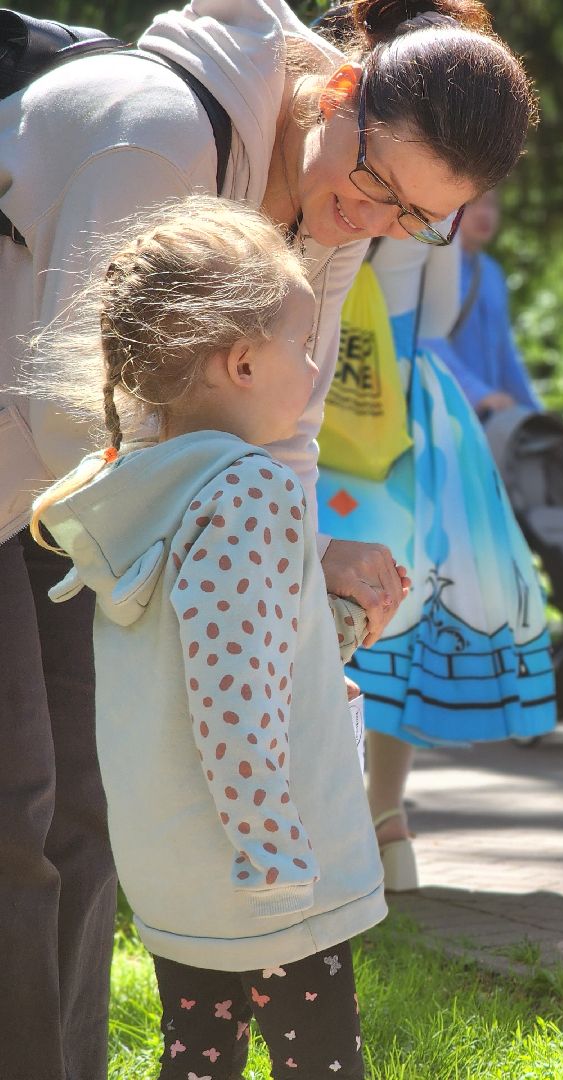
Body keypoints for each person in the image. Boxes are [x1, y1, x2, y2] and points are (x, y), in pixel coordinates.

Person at [0, 0, 534, 1067]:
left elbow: (283, 428)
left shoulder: (339, 202)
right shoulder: (157, 133)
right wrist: (258, 545)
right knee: (16, 812)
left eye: (419, 217)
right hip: (63, 458)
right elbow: (74, 400)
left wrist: (292, 577)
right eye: (379, 184)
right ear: (341, 92)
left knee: (82, 813)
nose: (378, 219)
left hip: (88, 494)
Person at [26, 197, 383, 1080]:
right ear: (243, 361)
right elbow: (231, 697)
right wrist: (276, 852)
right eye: (305, 344)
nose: (315, 367)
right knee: (321, 1065)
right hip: (265, 871)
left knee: (199, 1061)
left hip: (178, 863)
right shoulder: (249, 491)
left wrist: (331, 634)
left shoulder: (146, 489)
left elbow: (216, 652)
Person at [316, 230, 557, 891]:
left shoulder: (323, 186)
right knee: (396, 613)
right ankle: (386, 819)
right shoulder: (432, 202)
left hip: (303, 425)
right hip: (395, 435)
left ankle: (313, 816)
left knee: (299, 619)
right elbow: (439, 317)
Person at [439, 187, 544, 415]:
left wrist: (537, 415)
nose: (484, 213)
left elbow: (506, 354)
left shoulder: (492, 273)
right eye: (473, 203)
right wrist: (478, 394)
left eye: (491, 204)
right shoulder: (433, 267)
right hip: (443, 414)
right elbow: (424, 340)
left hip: (489, 420)